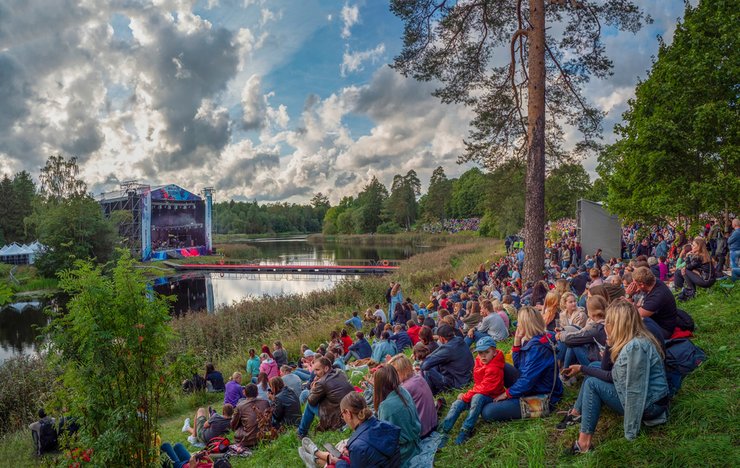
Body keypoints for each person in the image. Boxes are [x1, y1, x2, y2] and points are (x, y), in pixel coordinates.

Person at [562, 300, 669, 454]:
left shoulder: (636, 347)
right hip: (648, 398)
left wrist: (630, 433)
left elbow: (634, 391)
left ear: (618, 323)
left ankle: (583, 444)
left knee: (592, 383)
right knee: (594, 366)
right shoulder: (631, 339)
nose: (605, 325)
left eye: (609, 321)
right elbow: (606, 369)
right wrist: (609, 343)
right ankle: (576, 413)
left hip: (650, 405)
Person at [481, 307, 563, 421]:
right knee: (502, 367)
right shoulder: (536, 339)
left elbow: (526, 380)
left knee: (488, 412)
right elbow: (519, 367)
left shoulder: (537, 348)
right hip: (534, 387)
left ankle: (504, 401)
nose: (517, 325)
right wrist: (517, 341)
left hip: (544, 399)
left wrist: (507, 394)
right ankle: (497, 397)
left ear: (526, 325)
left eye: (519, 322)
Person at [298, 392, 401, 467]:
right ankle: (316, 458)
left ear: (348, 413)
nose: (343, 418)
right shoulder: (384, 425)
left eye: (342, 414)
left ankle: (316, 459)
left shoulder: (357, 446)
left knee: (334, 464)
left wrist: (338, 462)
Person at [440, 336, 505, 446]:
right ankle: (444, 430)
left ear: (494, 352)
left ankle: (466, 430)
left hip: (492, 397)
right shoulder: (479, 362)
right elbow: (478, 385)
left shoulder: (494, 368)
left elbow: (484, 388)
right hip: (480, 392)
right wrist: (465, 397)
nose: (483, 355)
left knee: (476, 398)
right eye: (480, 353)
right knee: (457, 403)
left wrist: (466, 396)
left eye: (487, 352)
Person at [374, 366, 421, 468]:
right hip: (415, 442)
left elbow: (384, 438)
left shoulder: (386, 406)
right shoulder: (402, 391)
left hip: (404, 452)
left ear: (378, 384)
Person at [297, 357, 354, 438]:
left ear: (326, 368)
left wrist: (313, 388)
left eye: (317, 370)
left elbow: (311, 401)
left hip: (338, 419)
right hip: (349, 413)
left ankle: (301, 433)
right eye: (314, 370)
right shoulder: (339, 373)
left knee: (309, 405)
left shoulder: (322, 382)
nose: (315, 373)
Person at [388, 354, 438, 439]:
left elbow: (391, 410)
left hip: (423, 432)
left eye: (394, 373)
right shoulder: (418, 377)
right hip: (433, 424)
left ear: (402, 370)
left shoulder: (405, 388)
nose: (391, 377)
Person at [420, 324, 474, 395]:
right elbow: (440, 349)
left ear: (441, 338)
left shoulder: (448, 350)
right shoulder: (459, 339)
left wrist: (422, 362)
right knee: (435, 364)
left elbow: (424, 366)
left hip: (458, 383)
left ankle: (433, 394)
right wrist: (430, 356)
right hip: (467, 377)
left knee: (428, 370)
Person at [557, 295, 608, 368]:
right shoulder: (606, 322)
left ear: (591, 312)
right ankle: (563, 368)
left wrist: (560, 335)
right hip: (597, 353)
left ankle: (563, 369)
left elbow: (572, 339)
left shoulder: (597, 328)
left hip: (597, 363)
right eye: (570, 302)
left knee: (573, 344)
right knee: (571, 337)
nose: (573, 303)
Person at [626, 267, 677, 339]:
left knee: (629, 325)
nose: (633, 285)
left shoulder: (657, 296)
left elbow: (636, 315)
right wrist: (639, 290)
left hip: (663, 330)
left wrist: (628, 296)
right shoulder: (654, 281)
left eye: (635, 283)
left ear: (642, 284)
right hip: (655, 321)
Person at [231, 384, 272, 448]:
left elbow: (233, 425)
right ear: (257, 393)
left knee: (238, 427)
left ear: (245, 393)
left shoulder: (240, 406)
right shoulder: (266, 402)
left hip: (249, 440)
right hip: (267, 436)